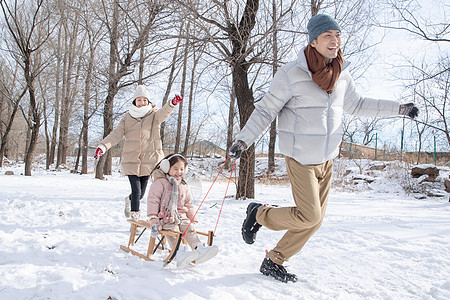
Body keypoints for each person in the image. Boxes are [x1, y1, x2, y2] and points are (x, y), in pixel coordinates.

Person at [229, 14, 419, 283]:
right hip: (300, 157)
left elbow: (358, 104)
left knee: (314, 221)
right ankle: (259, 214)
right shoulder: (291, 74)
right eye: (328, 35)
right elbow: (265, 110)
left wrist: (399, 109)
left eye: (338, 35)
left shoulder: (342, 73)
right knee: (309, 214)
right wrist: (242, 140)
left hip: (327, 158)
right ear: (314, 40)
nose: (335, 40)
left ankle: (275, 260)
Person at [94, 85, 183, 224]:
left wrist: (171, 104)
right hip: (131, 161)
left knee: (140, 194)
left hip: (148, 162)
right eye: (139, 100)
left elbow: (163, 114)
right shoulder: (127, 118)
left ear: (148, 101)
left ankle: (129, 200)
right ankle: (135, 220)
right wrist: (103, 146)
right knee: (136, 191)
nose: (142, 102)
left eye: (144, 100)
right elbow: (116, 134)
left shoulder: (153, 115)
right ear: (134, 101)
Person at [147, 154, 219, 267]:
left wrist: (192, 217)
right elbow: (153, 200)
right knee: (173, 231)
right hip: (165, 217)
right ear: (166, 167)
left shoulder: (183, 185)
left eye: (181, 169)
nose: (178, 172)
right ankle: (180, 252)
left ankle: (199, 248)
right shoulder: (160, 182)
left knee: (189, 229)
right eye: (175, 168)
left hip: (181, 216)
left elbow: (188, 204)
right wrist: (153, 217)